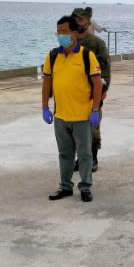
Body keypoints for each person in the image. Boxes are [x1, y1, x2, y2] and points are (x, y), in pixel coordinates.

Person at [42, 15, 102, 203]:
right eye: (59, 32)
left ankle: (85, 187)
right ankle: (65, 186)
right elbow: (46, 83)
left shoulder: (86, 56)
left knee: (85, 155)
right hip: (60, 116)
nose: (61, 35)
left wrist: (94, 110)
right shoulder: (53, 56)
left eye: (65, 31)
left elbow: (97, 84)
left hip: (83, 116)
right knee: (65, 154)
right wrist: (45, 107)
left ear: (75, 33)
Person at [72, 7, 111, 172]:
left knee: (92, 129)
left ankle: (93, 158)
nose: (77, 23)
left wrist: (102, 92)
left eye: (80, 20)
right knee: (76, 129)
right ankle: (80, 158)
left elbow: (106, 70)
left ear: (88, 22)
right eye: (75, 20)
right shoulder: (71, 42)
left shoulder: (97, 43)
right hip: (74, 94)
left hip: (92, 95)